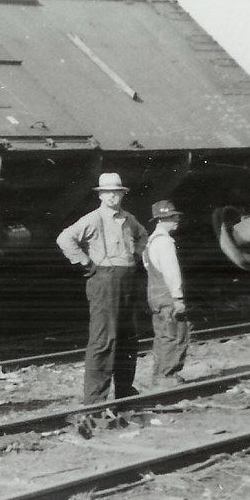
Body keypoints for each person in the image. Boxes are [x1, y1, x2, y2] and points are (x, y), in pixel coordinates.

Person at [56, 173, 148, 404]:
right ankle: (96, 400)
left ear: (122, 194)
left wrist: (136, 254)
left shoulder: (128, 218)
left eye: (116, 192)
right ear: (100, 195)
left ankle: (125, 391)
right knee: (104, 339)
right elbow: (65, 239)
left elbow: (143, 236)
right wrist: (85, 261)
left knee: (128, 338)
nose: (112, 196)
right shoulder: (94, 218)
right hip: (105, 279)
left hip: (127, 278)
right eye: (107, 192)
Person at [143, 200, 190, 389]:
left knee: (163, 335)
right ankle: (167, 375)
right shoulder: (165, 243)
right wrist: (178, 297)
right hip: (167, 295)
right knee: (176, 334)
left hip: (155, 295)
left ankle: (160, 374)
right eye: (173, 217)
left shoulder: (151, 241)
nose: (177, 219)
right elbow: (171, 272)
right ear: (161, 220)